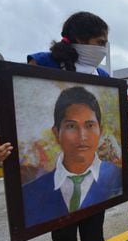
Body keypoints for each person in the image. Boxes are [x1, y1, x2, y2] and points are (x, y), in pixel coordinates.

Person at [25, 11, 112, 241]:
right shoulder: (43, 64)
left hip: (92, 180)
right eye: (99, 42)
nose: (104, 49)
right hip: (59, 176)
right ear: (79, 38)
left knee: (94, 237)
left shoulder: (103, 78)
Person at [22, 86, 122, 228]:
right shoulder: (31, 193)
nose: (82, 137)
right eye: (71, 126)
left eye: (89, 125)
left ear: (101, 130)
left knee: (94, 240)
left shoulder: (117, 177)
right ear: (56, 133)